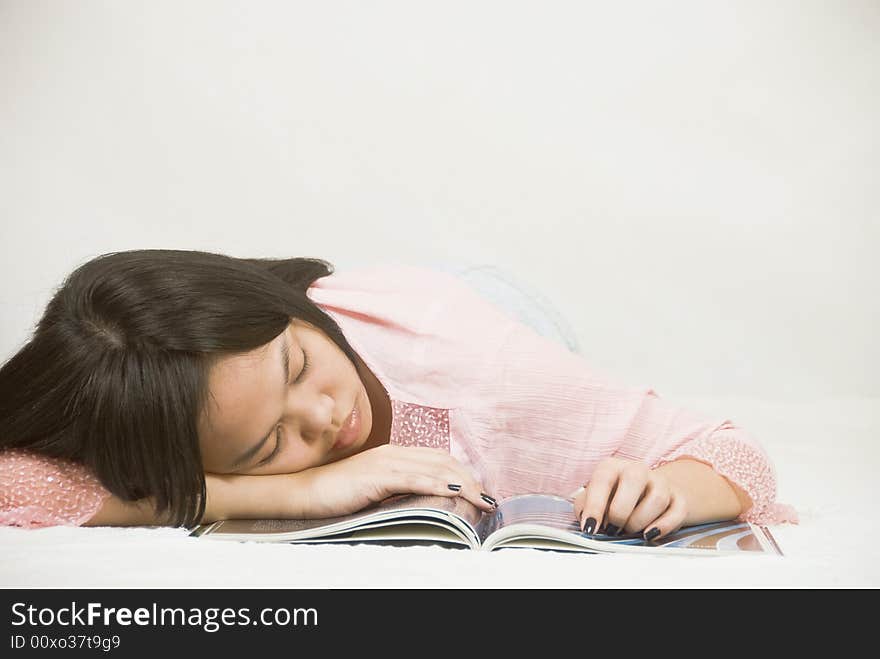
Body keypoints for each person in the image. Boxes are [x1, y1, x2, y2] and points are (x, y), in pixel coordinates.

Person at [0, 250, 798, 539]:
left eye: (294, 367)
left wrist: (671, 486)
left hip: (482, 307)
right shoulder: (195, 383)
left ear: (284, 313)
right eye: (272, 443)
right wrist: (307, 486)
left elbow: (735, 452)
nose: (327, 416)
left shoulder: (498, 378)